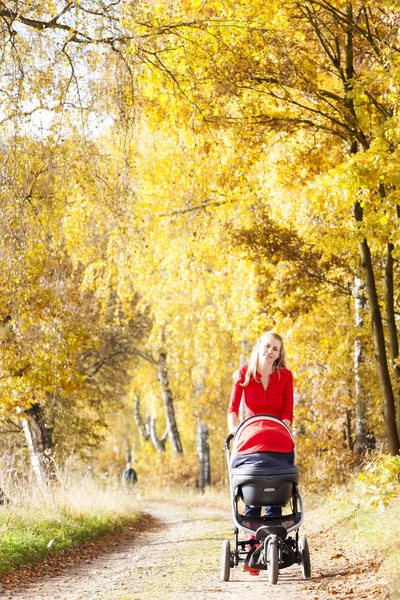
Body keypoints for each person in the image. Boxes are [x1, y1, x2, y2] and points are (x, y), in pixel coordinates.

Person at [227, 330, 294, 518]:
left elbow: (287, 412)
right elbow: (232, 408)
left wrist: (282, 431)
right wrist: (234, 429)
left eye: (275, 349)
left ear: (279, 354)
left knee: (275, 485)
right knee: (252, 487)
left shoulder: (286, 376)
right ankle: (252, 533)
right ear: (258, 347)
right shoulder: (244, 374)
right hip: (251, 437)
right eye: (267, 346)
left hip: (276, 438)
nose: (270, 351)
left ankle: (274, 529)